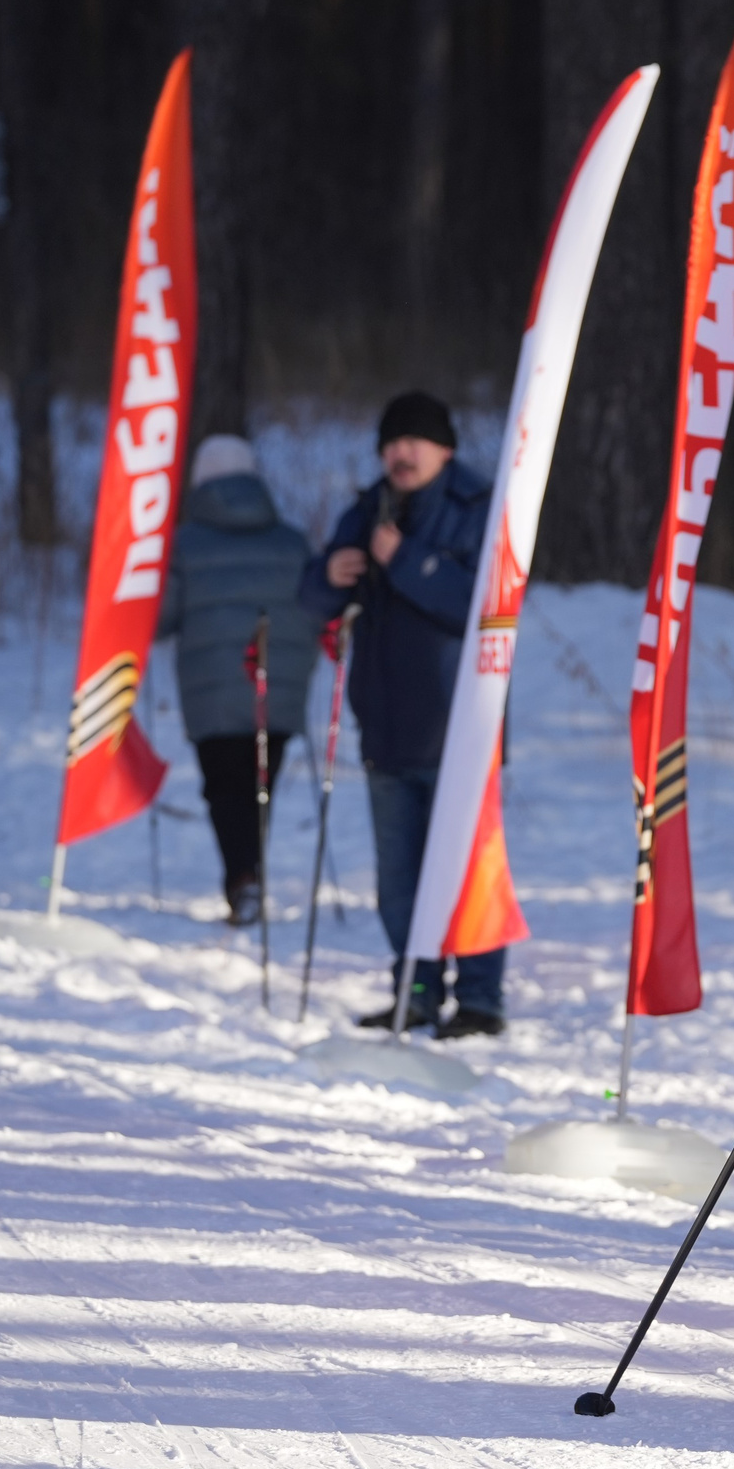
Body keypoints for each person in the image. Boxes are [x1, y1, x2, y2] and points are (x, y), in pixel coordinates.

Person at [297, 391, 504, 1039]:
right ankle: (414, 989)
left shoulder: (481, 507)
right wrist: (330, 572)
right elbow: (313, 596)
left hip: (458, 729)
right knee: (399, 880)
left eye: (414, 440)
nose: (400, 453)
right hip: (386, 728)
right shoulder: (369, 508)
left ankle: (478, 998)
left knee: (467, 870)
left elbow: (483, 599)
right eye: (390, 442)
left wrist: (404, 560)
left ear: (446, 448)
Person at [156, 435, 321, 927]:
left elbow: (161, 619)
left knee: (225, 787)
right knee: (259, 784)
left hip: (212, 692)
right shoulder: (292, 542)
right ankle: (250, 873)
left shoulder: (183, 544)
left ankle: (242, 878)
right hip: (282, 688)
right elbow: (315, 610)